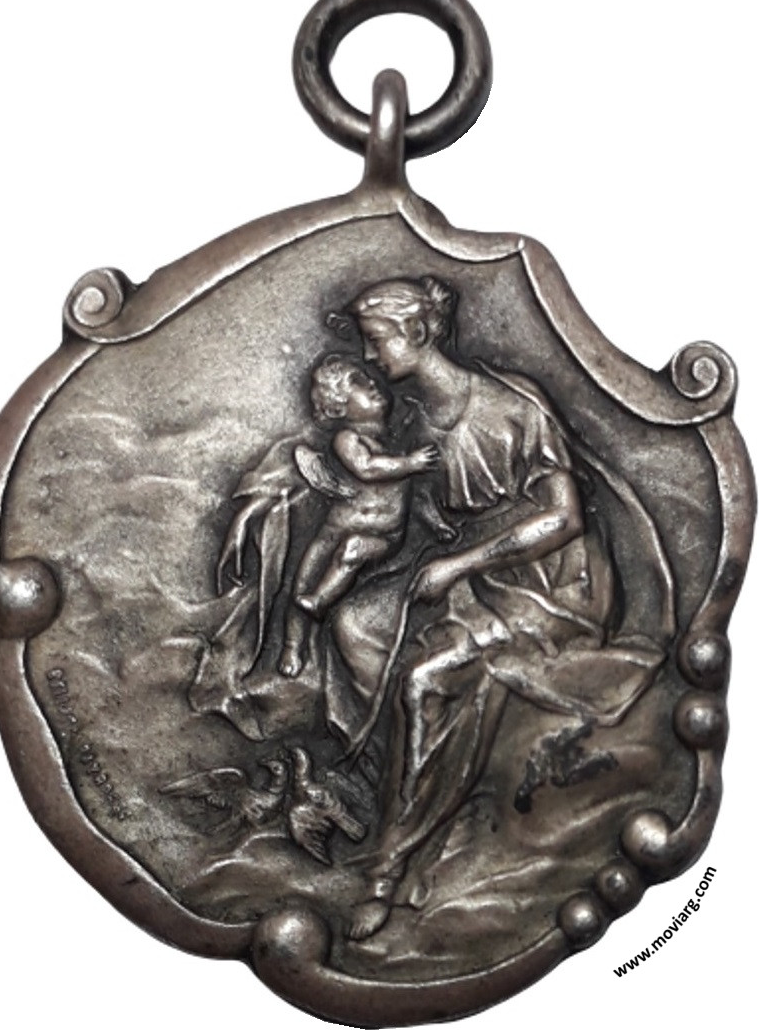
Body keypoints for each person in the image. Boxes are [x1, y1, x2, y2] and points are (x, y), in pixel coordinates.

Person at [322, 276, 670, 941]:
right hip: (472, 572)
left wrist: (460, 565)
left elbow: (565, 520)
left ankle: (393, 866)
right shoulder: (417, 418)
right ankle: (413, 780)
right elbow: (421, 519)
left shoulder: (511, 408)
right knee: (353, 625)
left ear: (417, 332)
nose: (369, 356)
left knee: (425, 681)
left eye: (376, 340)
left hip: (548, 586)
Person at [277, 354, 439, 678]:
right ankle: (292, 646)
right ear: (338, 408)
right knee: (303, 580)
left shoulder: (397, 440)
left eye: (368, 378)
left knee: (353, 550)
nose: (372, 383)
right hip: (334, 531)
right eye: (358, 383)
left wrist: (437, 523)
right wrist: (410, 464)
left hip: (385, 537)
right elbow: (365, 468)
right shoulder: (348, 439)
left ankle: (320, 601)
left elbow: (416, 495)